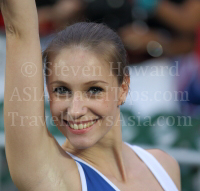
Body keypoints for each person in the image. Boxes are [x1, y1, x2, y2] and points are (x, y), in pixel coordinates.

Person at [2, 0, 181, 190]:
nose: (75, 110)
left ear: (123, 88)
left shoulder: (164, 167)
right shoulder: (53, 177)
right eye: (61, 90)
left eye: (94, 90)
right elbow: (19, 32)